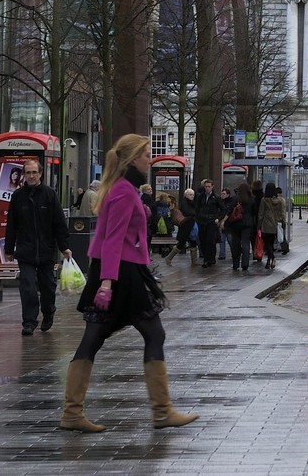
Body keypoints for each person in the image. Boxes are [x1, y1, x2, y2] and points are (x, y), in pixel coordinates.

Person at [60, 133, 195, 433]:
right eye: (146, 155)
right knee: (150, 334)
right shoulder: (123, 191)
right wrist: (107, 283)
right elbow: (111, 240)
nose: (150, 159)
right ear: (133, 159)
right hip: (121, 273)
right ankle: (161, 411)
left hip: (122, 271)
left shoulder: (124, 190)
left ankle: (73, 412)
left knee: (97, 338)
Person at [5, 158, 74, 336]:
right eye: (28, 173)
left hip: (46, 250)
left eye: (34, 172)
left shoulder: (50, 195)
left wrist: (64, 246)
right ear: (24, 175)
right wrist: (9, 249)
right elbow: (12, 224)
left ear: (40, 174)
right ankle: (29, 321)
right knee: (27, 287)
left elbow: (59, 223)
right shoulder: (18, 197)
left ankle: (49, 312)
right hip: (25, 250)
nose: (31, 176)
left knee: (48, 287)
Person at [191, 181, 224, 267]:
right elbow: (197, 208)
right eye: (206, 186)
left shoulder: (216, 197)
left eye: (209, 186)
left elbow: (223, 209)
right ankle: (209, 258)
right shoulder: (200, 196)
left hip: (211, 221)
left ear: (212, 186)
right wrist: (197, 217)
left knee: (210, 240)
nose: (207, 188)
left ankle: (207, 259)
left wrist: (218, 218)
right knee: (202, 240)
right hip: (202, 221)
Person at [225, 182, 256, 271]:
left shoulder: (236, 199)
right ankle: (245, 264)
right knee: (246, 244)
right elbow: (254, 212)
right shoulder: (251, 199)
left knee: (236, 244)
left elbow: (230, 210)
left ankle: (235, 264)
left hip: (236, 224)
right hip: (247, 224)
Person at [258, 184, 286, 270]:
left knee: (267, 245)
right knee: (271, 244)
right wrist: (283, 222)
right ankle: (268, 262)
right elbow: (282, 213)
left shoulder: (264, 200)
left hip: (266, 225)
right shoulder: (280, 200)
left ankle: (273, 258)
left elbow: (261, 214)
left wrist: (258, 226)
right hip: (276, 225)